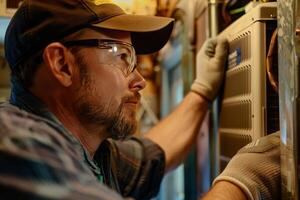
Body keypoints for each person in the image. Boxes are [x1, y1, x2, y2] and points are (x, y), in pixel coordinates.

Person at [0, 0, 280, 199]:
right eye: (122, 57)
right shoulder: (15, 144)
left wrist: (202, 91)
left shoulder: (96, 153)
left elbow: (154, 155)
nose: (140, 80)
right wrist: (243, 182)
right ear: (62, 64)